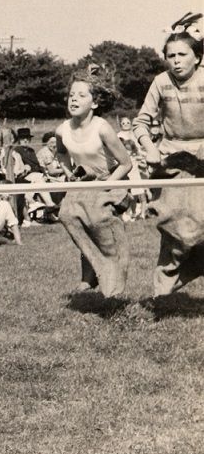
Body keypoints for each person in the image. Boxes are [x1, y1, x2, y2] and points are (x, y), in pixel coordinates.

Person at [132, 15, 204, 295]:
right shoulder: (161, 82)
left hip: (202, 160)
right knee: (173, 226)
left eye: (182, 54)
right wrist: (149, 147)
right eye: (170, 55)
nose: (175, 60)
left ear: (197, 58)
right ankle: (161, 294)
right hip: (170, 159)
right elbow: (140, 122)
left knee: (198, 224)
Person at [55, 64, 132, 297]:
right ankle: (89, 277)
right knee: (68, 215)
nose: (74, 100)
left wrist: (105, 186)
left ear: (95, 103)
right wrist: (67, 170)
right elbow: (60, 153)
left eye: (81, 95)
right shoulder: (62, 129)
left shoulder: (103, 128)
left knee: (97, 223)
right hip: (84, 181)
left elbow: (126, 163)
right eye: (71, 95)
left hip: (110, 182)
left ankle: (111, 279)